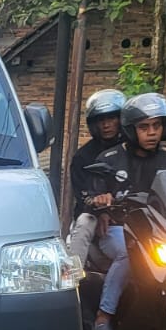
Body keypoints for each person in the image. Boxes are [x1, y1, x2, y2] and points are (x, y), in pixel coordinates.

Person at [89, 92, 166, 330]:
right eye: (144, 127)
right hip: (119, 228)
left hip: (161, 230)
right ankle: (104, 314)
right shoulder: (109, 159)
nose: (152, 132)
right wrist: (101, 200)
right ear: (131, 130)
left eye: (157, 125)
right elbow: (92, 194)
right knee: (129, 253)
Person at [66, 90, 126, 262]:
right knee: (85, 222)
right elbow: (84, 196)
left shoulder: (132, 150)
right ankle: (72, 277)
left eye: (112, 118)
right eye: (101, 120)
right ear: (94, 124)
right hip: (92, 214)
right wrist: (101, 211)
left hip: (128, 213)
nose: (106, 125)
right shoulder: (83, 157)